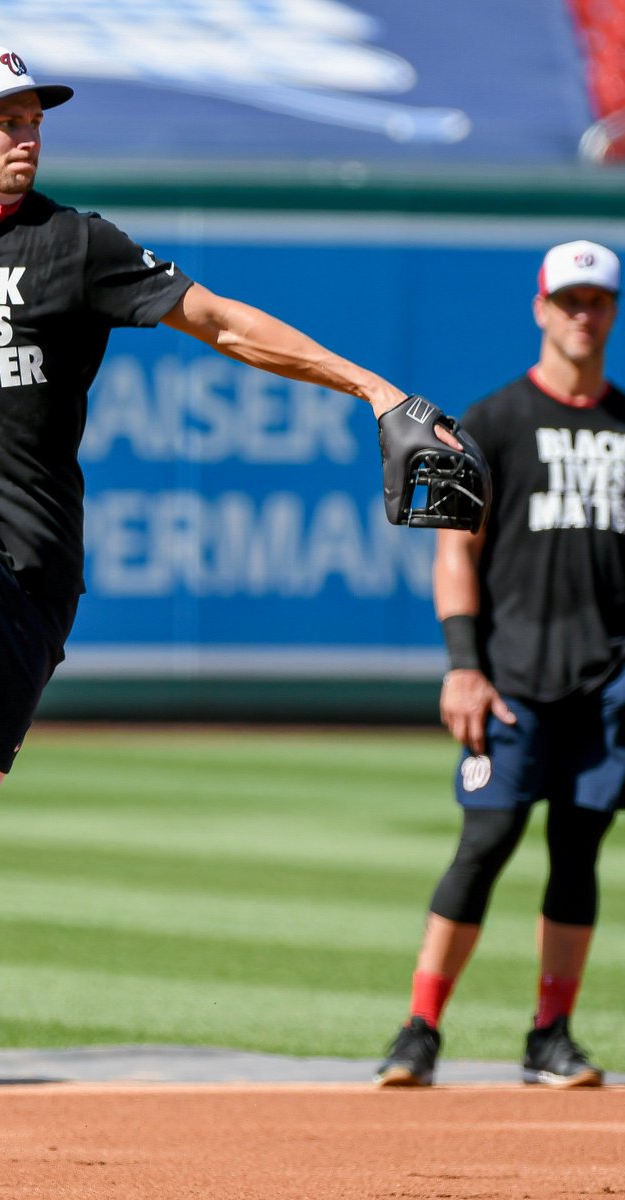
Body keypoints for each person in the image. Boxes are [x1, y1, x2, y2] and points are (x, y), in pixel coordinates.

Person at [0, 44, 468, 1124]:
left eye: (35, 116)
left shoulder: (75, 245)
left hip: (39, 560)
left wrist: (373, 388)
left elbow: (219, 320)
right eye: (5, 118)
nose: (27, 133)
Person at [375, 239, 623, 1089]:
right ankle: (419, 1028)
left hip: (607, 680)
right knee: (486, 840)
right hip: (512, 675)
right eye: (569, 300)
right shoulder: (493, 421)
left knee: (579, 848)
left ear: (612, 312)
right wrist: (463, 665)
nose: (583, 315)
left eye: (597, 301)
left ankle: (551, 1035)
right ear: (540, 308)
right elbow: (456, 551)